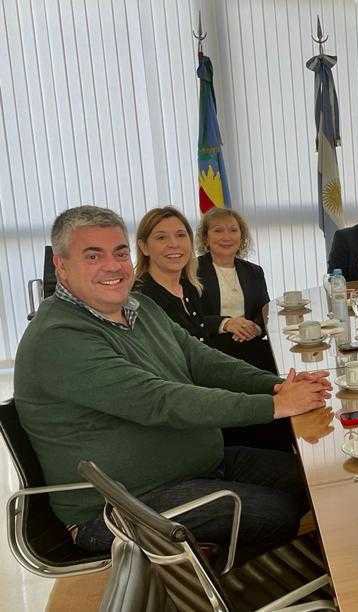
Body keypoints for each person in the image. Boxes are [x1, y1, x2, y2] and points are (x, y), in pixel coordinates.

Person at [13, 205, 331, 559]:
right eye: (92, 255)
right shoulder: (59, 337)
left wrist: (274, 385)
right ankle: (215, 590)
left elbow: (200, 360)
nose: (112, 265)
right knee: (276, 514)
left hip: (198, 465)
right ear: (61, 266)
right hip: (121, 506)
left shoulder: (139, 306)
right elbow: (159, 401)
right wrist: (275, 405)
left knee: (314, 477)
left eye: (119, 252)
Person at [196, 207, 276, 374]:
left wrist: (256, 328)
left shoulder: (254, 271)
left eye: (233, 230)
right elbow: (190, 318)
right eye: (218, 230)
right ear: (206, 238)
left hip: (249, 343)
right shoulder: (191, 271)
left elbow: (265, 311)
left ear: (241, 236)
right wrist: (226, 324)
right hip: (211, 348)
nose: (227, 237)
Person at [132, 206, 217, 342]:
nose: (174, 244)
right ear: (144, 247)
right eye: (161, 237)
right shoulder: (139, 298)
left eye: (180, 235)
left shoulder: (190, 287)